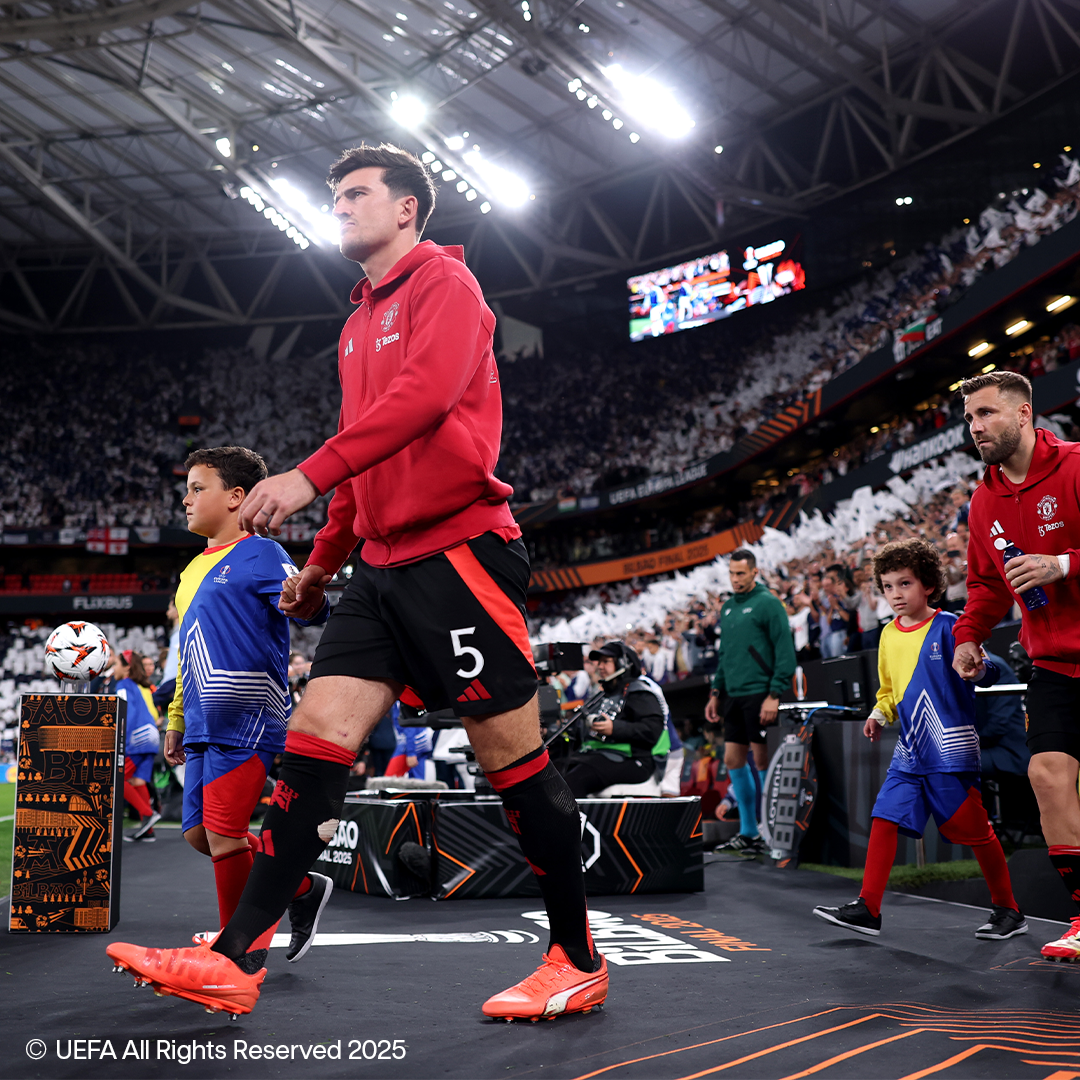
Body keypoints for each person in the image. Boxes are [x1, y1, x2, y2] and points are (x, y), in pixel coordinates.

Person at [106, 143, 606, 1023]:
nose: (339, 207)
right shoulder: (352, 323)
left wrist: (306, 475)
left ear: (408, 208)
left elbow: (421, 400)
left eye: (357, 194)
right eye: (334, 197)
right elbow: (366, 459)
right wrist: (323, 567)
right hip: (377, 568)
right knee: (314, 737)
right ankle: (237, 955)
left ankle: (575, 956)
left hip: (458, 552)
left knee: (511, 762)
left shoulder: (446, 288)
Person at [135, 447, 333, 971]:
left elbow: (312, 607)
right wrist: (176, 717)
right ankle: (302, 888)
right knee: (200, 835)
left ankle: (237, 953)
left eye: (199, 487)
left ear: (236, 497)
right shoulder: (190, 570)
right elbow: (186, 650)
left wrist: (305, 598)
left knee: (224, 835)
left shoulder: (262, 553)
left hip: (247, 716)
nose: (186, 497)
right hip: (200, 717)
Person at [813, 538, 1026, 940]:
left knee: (977, 832)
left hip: (952, 753)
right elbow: (889, 689)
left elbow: (991, 671)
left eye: (905, 583)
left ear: (928, 584)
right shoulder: (888, 635)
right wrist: (879, 713)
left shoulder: (951, 626)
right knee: (884, 818)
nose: (896, 593)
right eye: (888, 585)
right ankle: (868, 908)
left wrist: (977, 672)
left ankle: (1009, 910)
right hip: (910, 752)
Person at [951, 370, 1080, 961]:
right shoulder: (983, 500)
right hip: (1052, 663)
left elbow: (1056, 563)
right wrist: (970, 637)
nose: (975, 427)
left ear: (1024, 414)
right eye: (971, 417)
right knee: (1048, 776)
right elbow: (984, 585)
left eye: (986, 413)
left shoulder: (1077, 465)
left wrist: (1064, 564)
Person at [705, 548, 796, 854]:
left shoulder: (769, 603)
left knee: (761, 761)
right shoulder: (728, 607)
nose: (735, 579)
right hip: (732, 694)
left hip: (760, 693)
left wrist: (774, 694)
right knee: (732, 760)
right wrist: (716, 692)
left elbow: (785, 650)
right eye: (731, 573)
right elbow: (725, 655)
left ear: (755, 572)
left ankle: (768, 832)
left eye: (741, 573)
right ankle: (748, 832)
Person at [557, 641, 666, 797]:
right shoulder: (601, 695)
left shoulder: (639, 692)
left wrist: (615, 728)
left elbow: (652, 730)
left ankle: (576, 821)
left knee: (574, 780)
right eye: (599, 662)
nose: (600, 666)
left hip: (633, 759)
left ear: (624, 663)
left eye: (606, 662)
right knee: (552, 773)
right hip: (597, 755)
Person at [113, 649, 161, 842]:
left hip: (137, 737)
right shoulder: (136, 684)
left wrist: (122, 739)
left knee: (117, 780)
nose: (113, 668)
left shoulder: (123, 684)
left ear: (126, 668)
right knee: (138, 781)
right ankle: (147, 830)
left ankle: (148, 813)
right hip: (151, 736)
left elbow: (127, 713)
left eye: (116, 664)